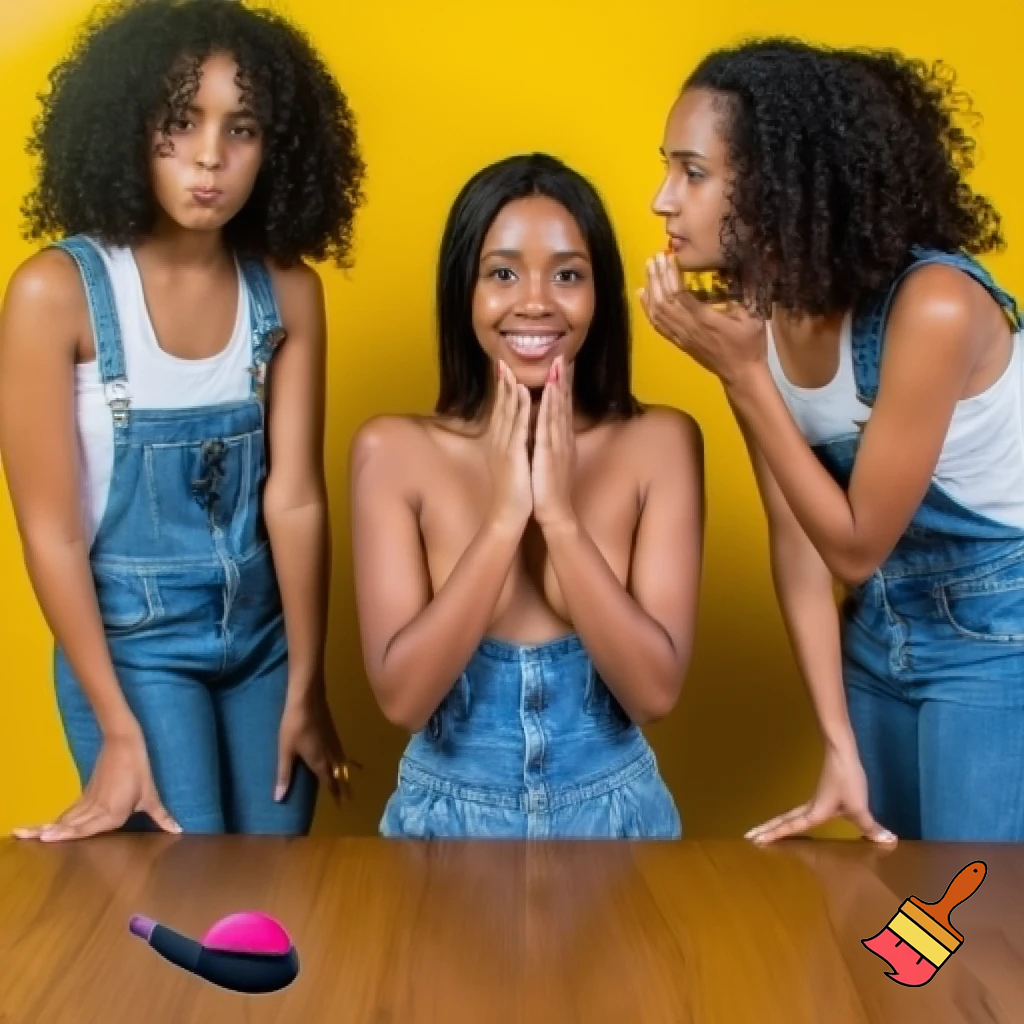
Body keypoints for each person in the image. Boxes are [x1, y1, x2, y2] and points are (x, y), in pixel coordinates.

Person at [640, 37, 1023, 843]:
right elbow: (800, 543)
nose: (662, 201)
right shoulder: (766, 313)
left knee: (970, 921)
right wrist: (837, 741)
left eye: (694, 173)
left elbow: (852, 544)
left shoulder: (935, 307)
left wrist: (740, 374)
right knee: (903, 929)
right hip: (879, 633)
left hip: (998, 642)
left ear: (781, 183)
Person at [0, 0, 366, 839]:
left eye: (241, 128)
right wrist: (116, 729)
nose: (210, 157)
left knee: (278, 899)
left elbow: (297, 500)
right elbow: (51, 535)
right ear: (128, 128)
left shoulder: (289, 289)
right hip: (133, 649)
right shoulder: (55, 294)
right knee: (187, 888)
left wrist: (308, 683)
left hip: (265, 643)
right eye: (179, 123)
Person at [349, 153, 704, 839]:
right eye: (502, 272)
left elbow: (654, 692)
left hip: (619, 824)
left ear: (599, 292)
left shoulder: (660, 443)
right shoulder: (392, 452)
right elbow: (404, 698)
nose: (536, 300)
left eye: (568, 274)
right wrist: (506, 517)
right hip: (444, 827)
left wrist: (560, 518)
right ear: (465, 290)